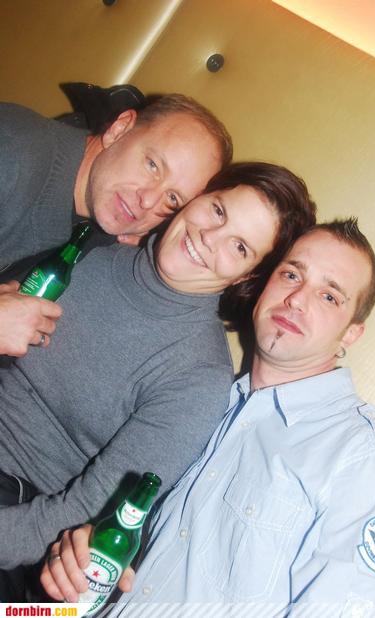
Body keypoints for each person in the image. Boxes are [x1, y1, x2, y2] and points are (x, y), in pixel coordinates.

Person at [43, 219, 375, 614]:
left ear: (351, 334)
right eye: (291, 275)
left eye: (329, 296)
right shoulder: (206, 402)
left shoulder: (367, 460)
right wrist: (77, 565)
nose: (296, 299)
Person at [0, 162, 316, 579]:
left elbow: (84, 511)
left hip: (20, 511)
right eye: (218, 210)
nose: (209, 237)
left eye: (239, 247)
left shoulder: (198, 376)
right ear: (199, 197)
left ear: (249, 275)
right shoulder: (93, 244)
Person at [0, 94, 232, 356]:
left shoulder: (103, 228)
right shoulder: (12, 153)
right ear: (119, 129)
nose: (148, 201)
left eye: (172, 198)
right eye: (153, 165)